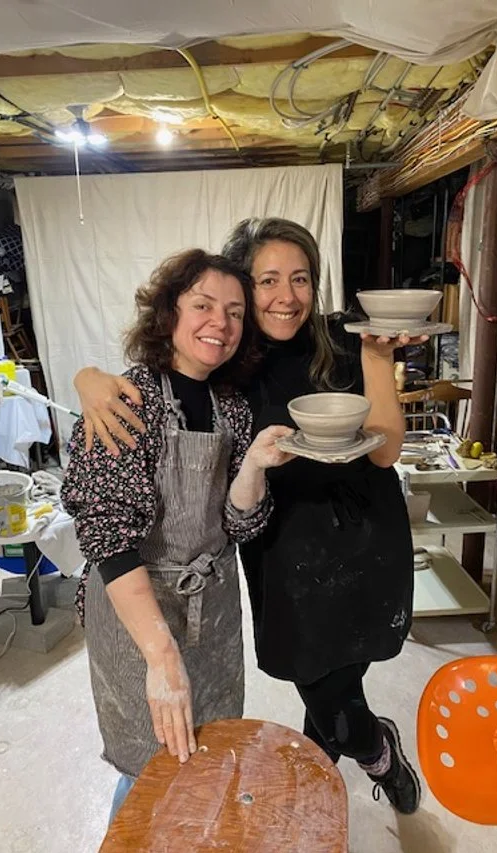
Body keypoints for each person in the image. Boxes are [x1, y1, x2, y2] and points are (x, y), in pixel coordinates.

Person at [72, 219, 425, 815]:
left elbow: (382, 451)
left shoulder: (318, 349)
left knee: (325, 698)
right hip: (278, 556)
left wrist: (376, 351)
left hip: (361, 545)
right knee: (166, 756)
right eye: (266, 281)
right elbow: (111, 517)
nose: (285, 296)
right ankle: (374, 750)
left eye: (300, 279)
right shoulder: (227, 367)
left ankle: (327, 783)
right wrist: (86, 379)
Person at [61, 248, 293, 822]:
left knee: (209, 748)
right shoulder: (124, 401)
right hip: (138, 614)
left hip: (212, 608)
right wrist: (161, 658)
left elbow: (239, 524)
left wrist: (254, 466)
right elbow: (108, 539)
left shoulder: (231, 407)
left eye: (235, 313)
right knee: (149, 766)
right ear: (169, 314)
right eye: (203, 306)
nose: (221, 323)